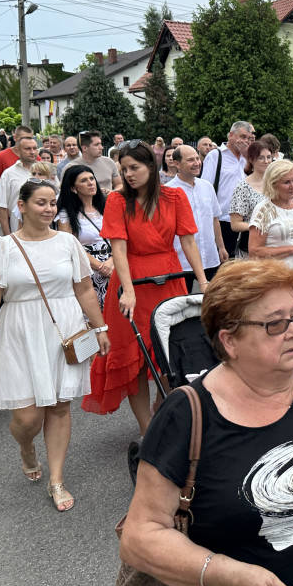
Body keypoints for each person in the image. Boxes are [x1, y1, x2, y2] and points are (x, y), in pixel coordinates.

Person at [118, 259, 293, 586]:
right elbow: (139, 538)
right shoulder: (187, 415)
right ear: (230, 340)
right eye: (275, 324)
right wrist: (230, 576)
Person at [0, 179, 110, 511]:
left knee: (61, 407)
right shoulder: (2, 248)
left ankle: (56, 480)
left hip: (65, 330)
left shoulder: (68, 243)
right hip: (19, 332)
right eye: (40, 203)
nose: (48, 209)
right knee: (28, 419)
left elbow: (85, 290)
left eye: (52, 203)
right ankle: (26, 447)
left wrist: (100, 326)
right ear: (21, 205)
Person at [83, 141, 205, 435]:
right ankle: (146, 427)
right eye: (124, 169)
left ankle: (160, 408)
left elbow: (188, 241)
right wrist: (128, 290)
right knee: (134, 359)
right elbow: (119, 249)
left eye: (134, 168)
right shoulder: (117, 200)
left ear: (151, 166)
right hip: (132, 281)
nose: (128, 175)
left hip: (168, 277)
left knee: (170, 353)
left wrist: (202, 281)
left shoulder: (174, 197)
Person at [248, 160, 293, 363]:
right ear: (273, 184)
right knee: (281, 329)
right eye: (286, 182)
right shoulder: (264, 210)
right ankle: (277, 371)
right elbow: (254, 250)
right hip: (277, 280)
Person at [57, 165, 113, 310]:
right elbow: (70, 245)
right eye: (83, 181)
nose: (90, 183)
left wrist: (113, 261)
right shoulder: (66, 214)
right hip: (86, 270)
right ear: (73, 188)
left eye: (92, 178)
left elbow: (120, 238)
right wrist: (100, 266)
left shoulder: (107, 206)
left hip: (114, 266)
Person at [167, 145, 227, 282]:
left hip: (210, 258)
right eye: (190, 160)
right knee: (183, 301)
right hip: (182, 261)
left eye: (197, 159)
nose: (196, 163)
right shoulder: (168, 191)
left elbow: (214, 219)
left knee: (212, 300)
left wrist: (221, 247)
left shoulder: (207, 186)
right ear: (177, 164)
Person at [201, 121, 254, 259]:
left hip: (245, 220)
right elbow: (206, 187)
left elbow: (258, 179)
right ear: (231, 135)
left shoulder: (248, 157)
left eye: (248, 138)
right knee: (223, 264)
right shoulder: (216, 156)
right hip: (222, 219)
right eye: (242, 136)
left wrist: (248, 157)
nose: (245, 141)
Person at [227, 141, 271, 260]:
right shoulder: (243, 187)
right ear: (251, 159)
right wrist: (258, 226)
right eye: (261, 158)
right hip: (250, 248)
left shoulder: (275, 184)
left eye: (268, 157)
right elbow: (235, 224)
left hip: (275, 245)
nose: (266, 161)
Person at [0, 135, 39, 235]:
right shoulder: (9, 174)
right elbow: (1, 206)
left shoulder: (46, 171)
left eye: (34, 148)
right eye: (28, 149)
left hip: (44, 231)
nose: (32, 152)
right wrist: (7, 235)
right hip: (18, 232)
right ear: (18, 151)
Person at [0, 125, 34, 194]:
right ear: (15, 137)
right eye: (23, 138)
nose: (27, 141)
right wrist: (14, 188)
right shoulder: (1, 156)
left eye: (30, 138)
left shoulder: (35, 157)